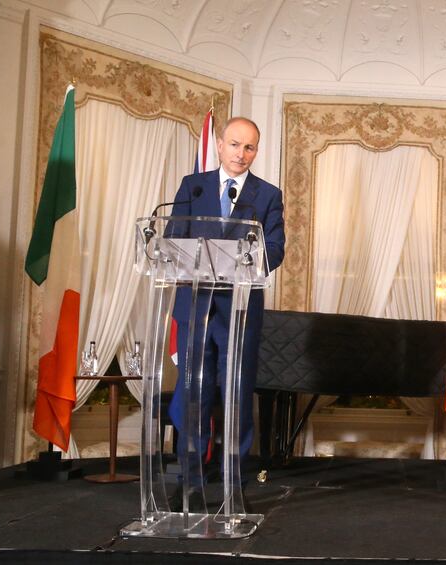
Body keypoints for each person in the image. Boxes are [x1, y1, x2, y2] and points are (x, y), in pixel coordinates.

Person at [167, 116, 285, 511]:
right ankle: (189, 482)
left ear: (256, 151)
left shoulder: (267, 195)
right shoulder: (192, 186)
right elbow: (172, 240)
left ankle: (234, 482)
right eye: (234, 144)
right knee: (194, 393)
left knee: (235, 394)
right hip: (195, 307)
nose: (241, 153)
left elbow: (277, 248)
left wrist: (245, 259)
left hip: (239, 311)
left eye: (249, 147)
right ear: (219, 145)